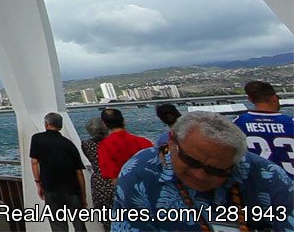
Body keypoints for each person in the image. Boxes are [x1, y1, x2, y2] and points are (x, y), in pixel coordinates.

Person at [112, 111, 294, 231]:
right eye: (190, 160)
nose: (200, 175)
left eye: (215, 170)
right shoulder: (140, 172)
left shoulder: (266, 175)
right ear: (172, 141)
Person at [29, 112, 87, 232]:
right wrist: (83, 195)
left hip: (50, 188)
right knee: (79, 223)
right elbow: (79, 172)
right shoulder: (69, 144)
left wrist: (38, 183)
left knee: (58, 224)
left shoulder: (37, 139)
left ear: (46, 124)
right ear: (60, 126)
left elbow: (34, 163)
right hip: (72, 189)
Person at [234, 80, 294, 177]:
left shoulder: (239, 123)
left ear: (250, 99)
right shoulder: (290, 123)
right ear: (274, 98)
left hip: (257, 185)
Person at [97, 108, 152, 183]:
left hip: (127, 186)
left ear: (104, 124)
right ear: (123, 121)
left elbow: (113, 175)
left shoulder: (105, 146)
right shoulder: (145, 142)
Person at [80, 117, 114, 231]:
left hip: (98, 182)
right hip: (114, 179)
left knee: (105, 217)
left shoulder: (86, 145)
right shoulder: (112, 143)